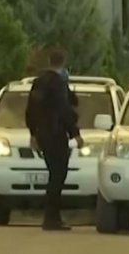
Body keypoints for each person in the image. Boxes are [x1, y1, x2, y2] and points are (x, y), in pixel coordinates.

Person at [25, 50, 84, 231]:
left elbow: (30, 110)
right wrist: (75, 133)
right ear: (63, 63)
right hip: (56, 134)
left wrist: (33, 133)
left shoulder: (38, 82)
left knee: (54, 174)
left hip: (42, 134)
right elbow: (64, 110)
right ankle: (51, 218)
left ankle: (52, 217)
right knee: (58, 175)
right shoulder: (57, 84)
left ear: (49, 61)